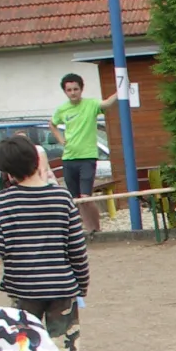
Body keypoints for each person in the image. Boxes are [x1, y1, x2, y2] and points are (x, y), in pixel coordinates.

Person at [0, 132, 88, 351]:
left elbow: (2, 248)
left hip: (23, 288)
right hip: (61, 287)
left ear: (7, 172)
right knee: (64, 348)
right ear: (37, 161)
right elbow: (77, 247)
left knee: (25, 349)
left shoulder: (5, 201)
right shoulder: (62, 198)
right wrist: (81, 284)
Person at [51, 72, 113, 232]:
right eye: (69, 90)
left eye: (75, 89)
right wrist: (60, 139)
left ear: (81, 89)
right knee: (76, 199)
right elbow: (52, 124)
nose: (73, 93)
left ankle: (96, 228)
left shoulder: (91, 104)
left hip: (87, 157)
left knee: (86, 197)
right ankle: (86, 230)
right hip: (69, 158)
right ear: (65, 91)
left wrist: (120, 91)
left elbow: (106, 104)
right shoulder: (62, 109)